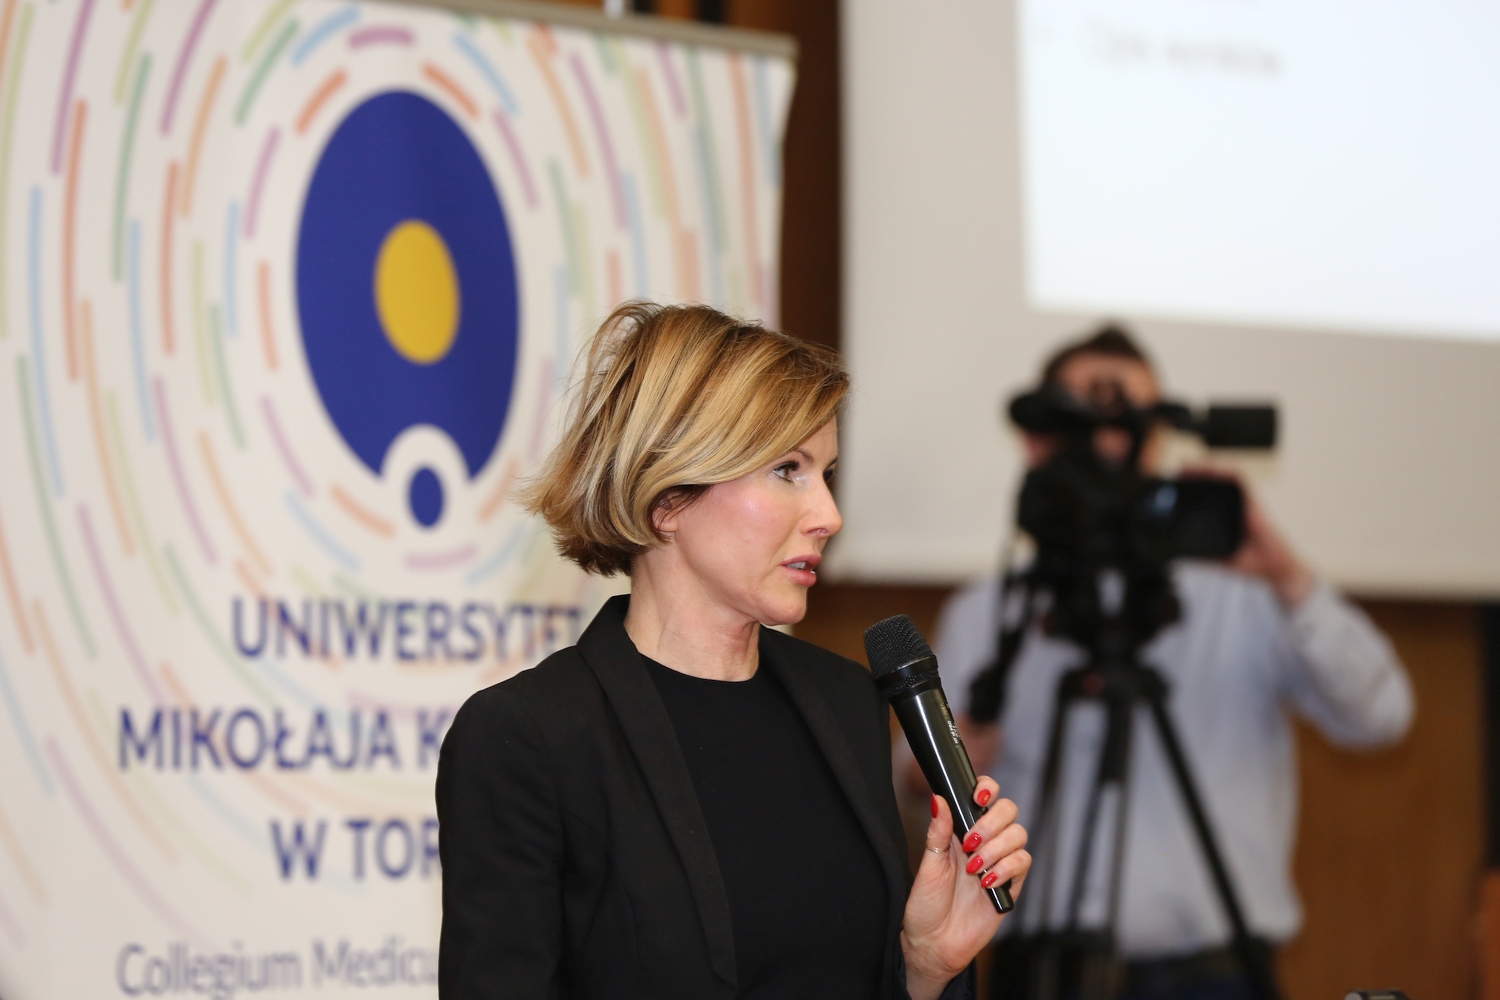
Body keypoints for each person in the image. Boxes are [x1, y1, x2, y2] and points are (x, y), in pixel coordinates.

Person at [437, 302, 1033, 1000]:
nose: (829, 516)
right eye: (788, 470)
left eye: (826, 474)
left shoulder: (845, 701)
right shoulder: (529, 737)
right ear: (668, 497)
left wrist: (925, 968)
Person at [911, 325, 1414, 999]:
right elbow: (909, 782)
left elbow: (1381, 717)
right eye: (1087, 426)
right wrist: (952, 757)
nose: (1112, 451)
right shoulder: (988, 612)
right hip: (1039, 972)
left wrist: (1286, 575)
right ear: (1039, 441)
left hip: (1212, 978)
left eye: (1132, 427)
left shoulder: (1241, 595)